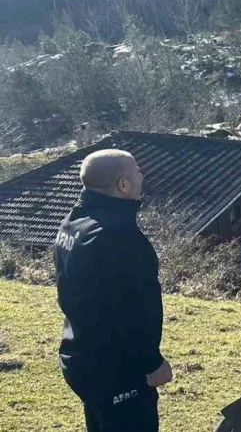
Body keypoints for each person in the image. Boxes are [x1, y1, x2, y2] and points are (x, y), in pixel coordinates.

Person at [54, 149, 172, 432]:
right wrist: (153, 363)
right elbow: (133, 311)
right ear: (123, 184)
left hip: (81, 357)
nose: (142, 176)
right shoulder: (119, 237)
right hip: (117, 370)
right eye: (137, 171)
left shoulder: (74, 223)